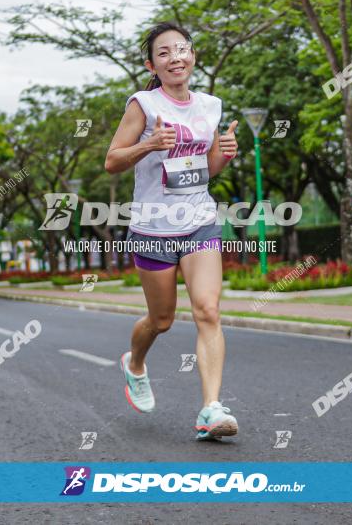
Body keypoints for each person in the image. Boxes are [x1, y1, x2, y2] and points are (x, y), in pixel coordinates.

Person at [104, 22, 239, 441]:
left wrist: (226, 154)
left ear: (193, 56)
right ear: (152, 64)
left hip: (198, 221)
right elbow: (111, 160)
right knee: (161, 320)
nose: (175, 57)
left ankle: (211, 409)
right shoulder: (142, 105)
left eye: (181, 49)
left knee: (208, 310)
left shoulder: (210, 106)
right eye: (164, 53)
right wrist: (149, 144)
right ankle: (136, 364)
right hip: (152, 228)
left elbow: (206, 170)